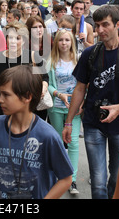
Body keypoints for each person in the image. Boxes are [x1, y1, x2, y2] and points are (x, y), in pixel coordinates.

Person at [62, 5, 119, 199]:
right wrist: (69, 122)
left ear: (118, 25)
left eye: (105, 25)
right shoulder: (90, 54)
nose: (99, 30)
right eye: (96, 26)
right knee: (97, 181)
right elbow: (80, 88)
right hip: (93, 123)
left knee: (117, 178)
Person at [0, 65, 74, 199]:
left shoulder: (47, 136)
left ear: (27, 97)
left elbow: (66, 179)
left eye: (6, 95)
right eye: (0, 94)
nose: (0, 100)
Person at [0, 22, 49, 134]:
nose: (13, 41)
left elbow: (45, 78)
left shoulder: (32, 56)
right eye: (10, 38)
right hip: (3, 111)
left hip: (29, 110)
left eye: (17, 38)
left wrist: (43, 88)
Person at [47, 29, 81, 195]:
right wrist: (58, 94)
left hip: (74, 109)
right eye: (61, 40)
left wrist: (82, 102)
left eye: (67, 40)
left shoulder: (78, 61)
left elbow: (84, 85)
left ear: (72, 42)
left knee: (73, 142)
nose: (64, 43)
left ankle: (72, 179)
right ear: (56, 42)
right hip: (56, 107)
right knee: (59, 142)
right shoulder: (52, 61)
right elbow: (49, 85)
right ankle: (59, 176)